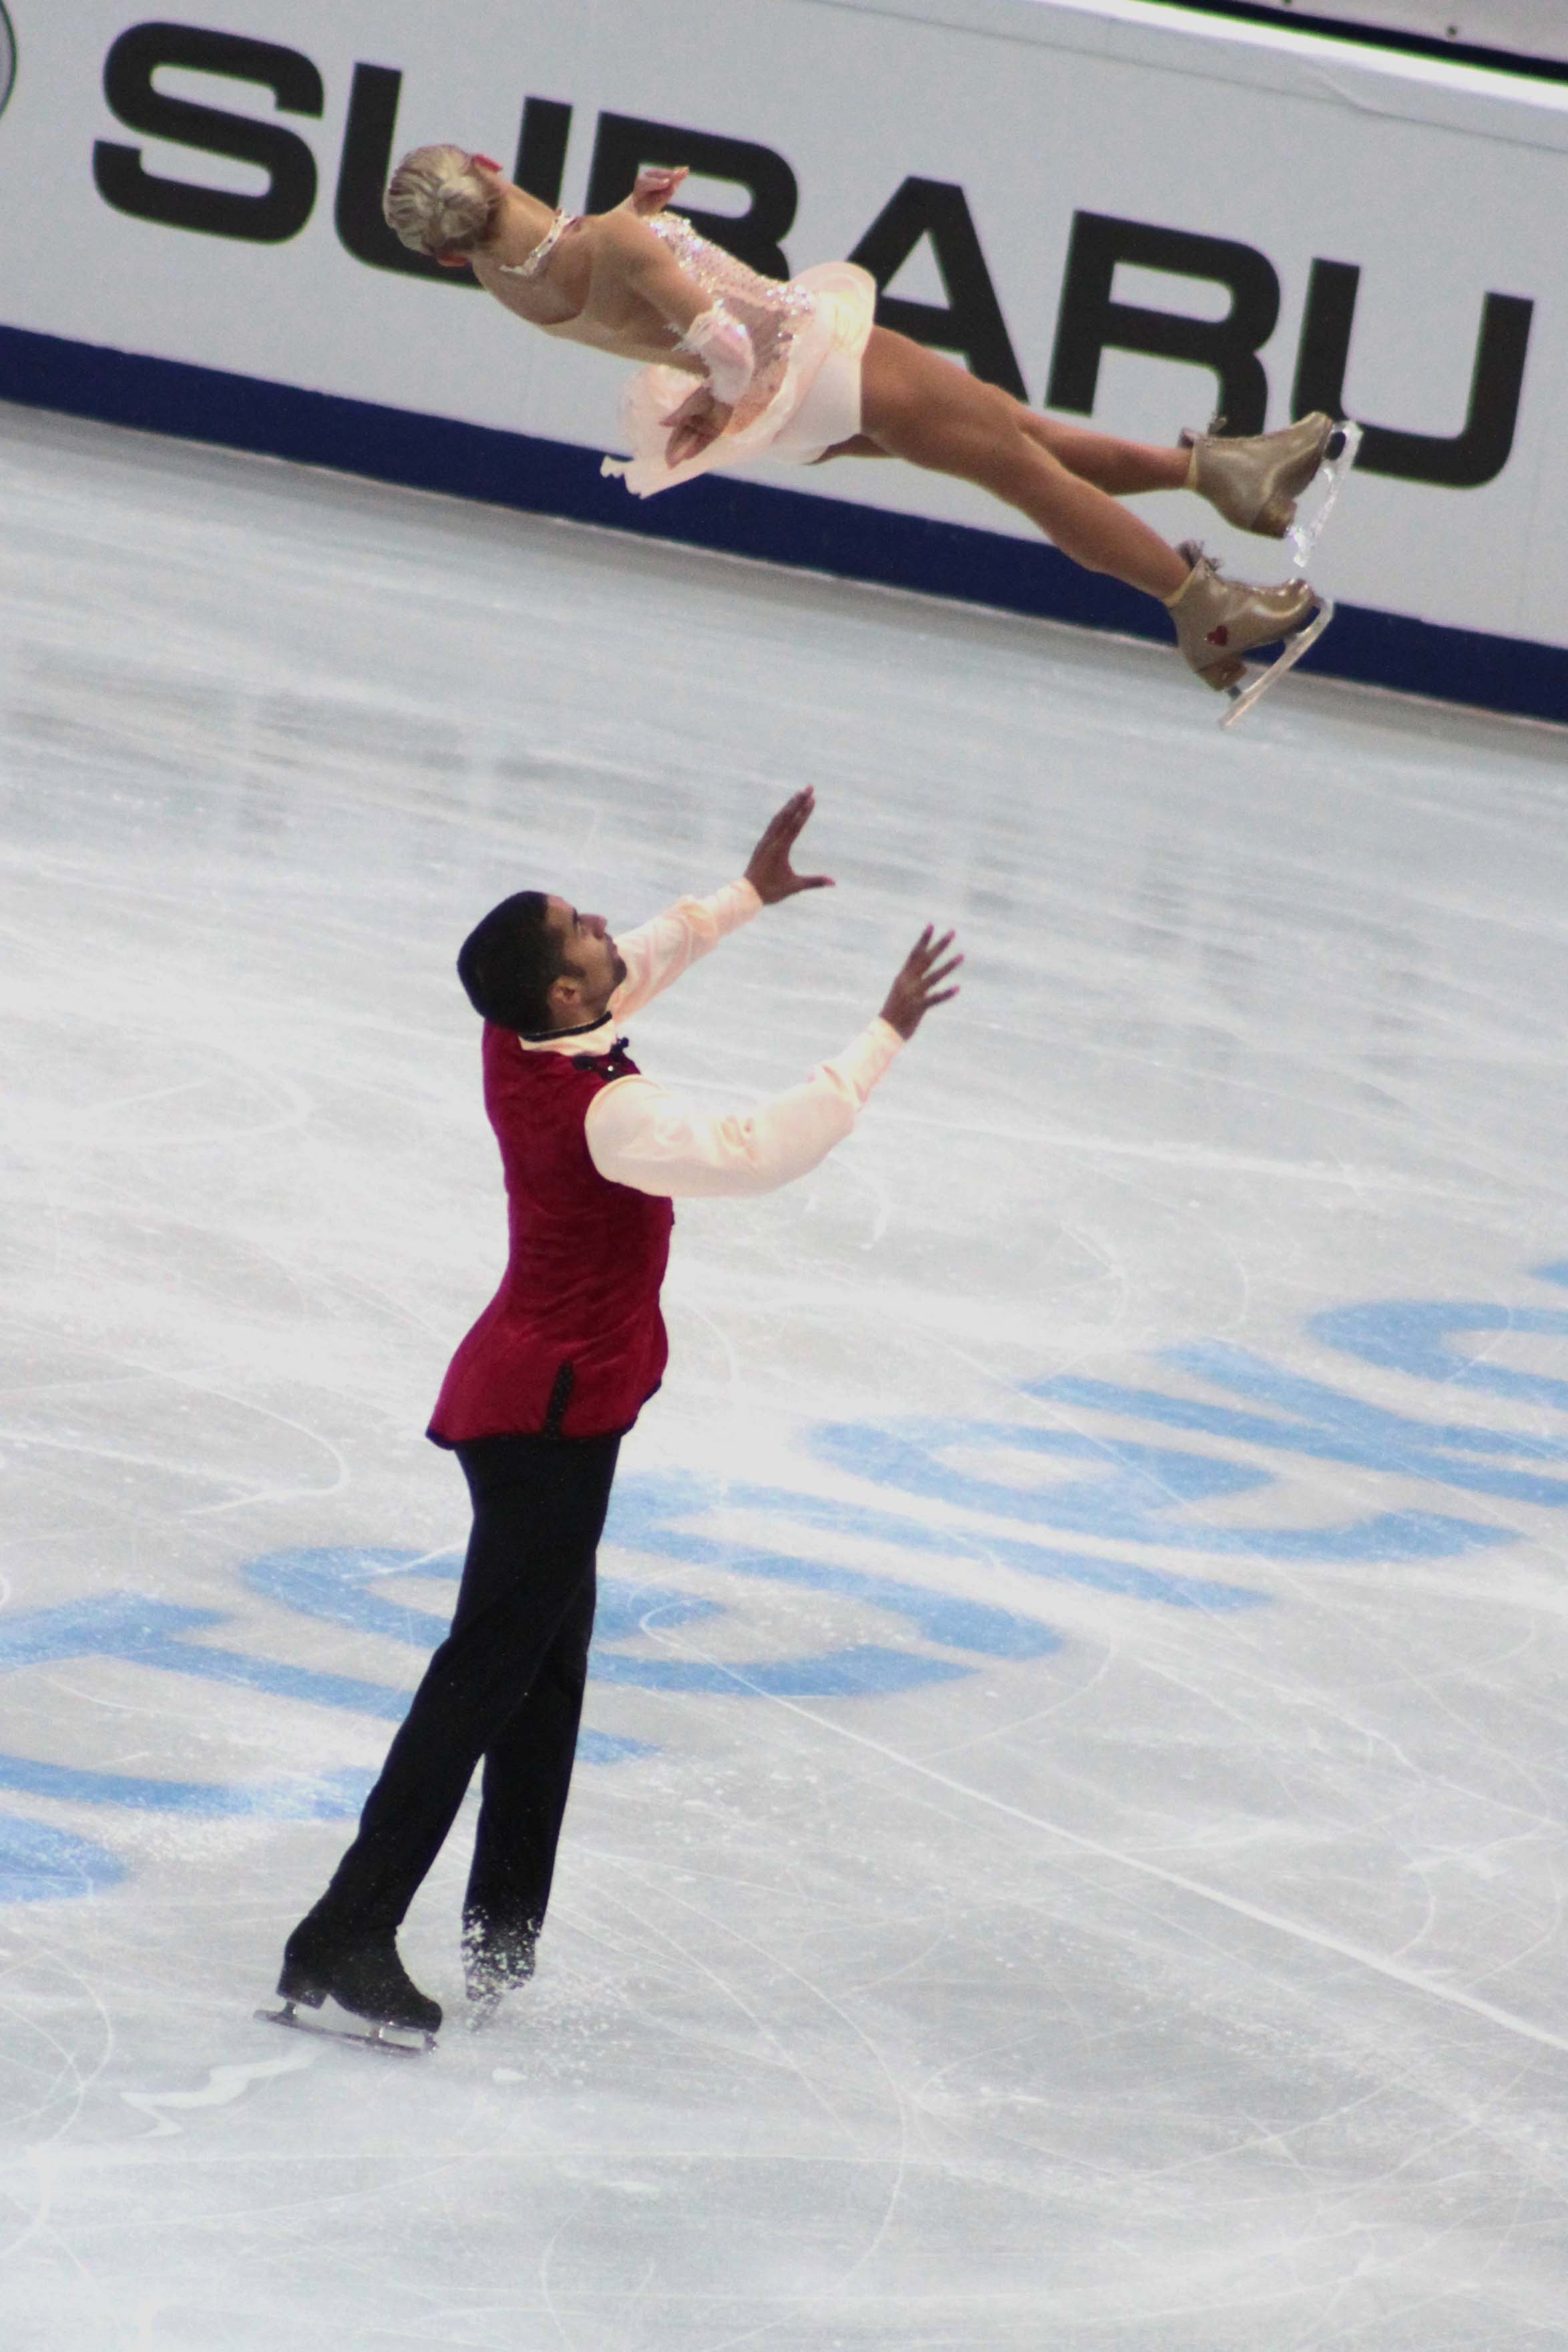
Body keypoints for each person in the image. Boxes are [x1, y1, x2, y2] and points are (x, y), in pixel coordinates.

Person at [274, 789, 959, 2039]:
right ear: (566, 1003)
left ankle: (500, 1937)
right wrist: (883, 1036)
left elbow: (640, 957)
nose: (601, 923)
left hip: (542, 1400)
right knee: (487, 1676)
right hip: (545, 1419)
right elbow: (756, 1148)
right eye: (576, 927)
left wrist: (745, 893)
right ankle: (346, 1929)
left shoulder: (529, 1034)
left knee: (543, 1667)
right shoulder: (609, 1112)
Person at [382, 146, 1332, 697]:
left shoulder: (517, 283)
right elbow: (725, 345)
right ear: (488, 165)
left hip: (799, 406)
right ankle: (1198, 609)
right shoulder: (610, 241)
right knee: (1023, 469)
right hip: (816, 364)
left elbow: (612, 289)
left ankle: (1227, 477)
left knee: (1013, 434)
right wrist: (710, 366)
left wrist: (640, 223)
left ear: (448, 257)